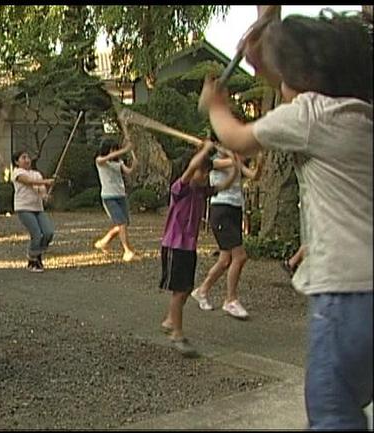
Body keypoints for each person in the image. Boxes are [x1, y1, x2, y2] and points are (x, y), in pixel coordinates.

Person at [198, 10, 372, 430]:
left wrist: (216, 107)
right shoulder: (360, 115)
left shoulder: (309, 116)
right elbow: (299, 98)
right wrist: (270, 62)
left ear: (298, 77)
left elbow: (239, 138)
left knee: (333, 409)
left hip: (345, 292)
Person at [159, 139, 239, 357]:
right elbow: (193, 167)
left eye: (206, 173)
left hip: (188, 247)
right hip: (174, 246)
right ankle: (177, 334)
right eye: (201, 173)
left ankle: (169, 319)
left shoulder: (200, 192)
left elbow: (224, 185)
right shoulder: (181, 189)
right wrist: (204, 150)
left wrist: (235, 167)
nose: (204, 176)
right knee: (180, 291)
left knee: (184, 289)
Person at [190, 147, 264, 319]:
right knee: (240, 256)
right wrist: (242, 154)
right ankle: (230, 300)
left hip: (235, 209)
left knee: (225, 260)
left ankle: (202, 290)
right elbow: (233, 162)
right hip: (221, 209)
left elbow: (254, 176)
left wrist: (259, 163)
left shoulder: (234, 159)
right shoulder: (214, 161)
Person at [94, 132, 139, 262]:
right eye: (113, 149)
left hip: (121, 195)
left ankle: (103, 242)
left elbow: (128, 171)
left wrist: (134, 164)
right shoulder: (100, 161)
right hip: (109, 197)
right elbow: (106, 158)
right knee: (121, 223)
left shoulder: (118, 162)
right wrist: (125, 149)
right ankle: (127, 251)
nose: (115, 151)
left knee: (123, 224)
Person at [10, 150, 55, 272]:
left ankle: (36, 254)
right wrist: (46, 181)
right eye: (23, 157)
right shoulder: (16, 172)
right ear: (16, 161)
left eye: (28, 157)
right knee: (36, 234)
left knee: (48, 233)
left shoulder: (36, 174)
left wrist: (45, 195)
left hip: (38, 208)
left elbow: (41, 188)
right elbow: (28, 182)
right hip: (23, 207)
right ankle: (32, 259)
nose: (27, 160)